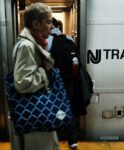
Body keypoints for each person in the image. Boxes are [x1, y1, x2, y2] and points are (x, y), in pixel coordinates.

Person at [11, 3, 60, 150]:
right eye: (49, 21)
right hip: (35, 114)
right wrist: (45, 70)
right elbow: (22, 82)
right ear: (36, 24)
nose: (51, 26)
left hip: (36, 112)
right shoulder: (27, 46)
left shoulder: (33, 43)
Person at [47, 17, 80, 149]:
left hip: (52, 81)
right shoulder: (69, 38)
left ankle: (53, 139)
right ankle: (72, 140)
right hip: (68, 81)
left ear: (50, 26)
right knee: (68, 108)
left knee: (50, 108)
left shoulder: (46, 41)